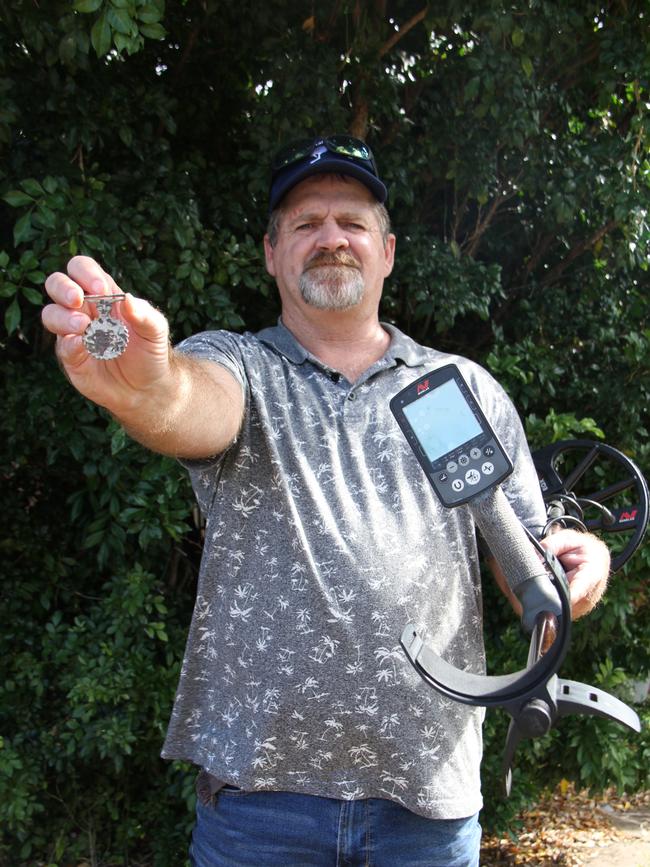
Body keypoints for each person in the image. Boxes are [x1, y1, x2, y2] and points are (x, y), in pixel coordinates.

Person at [42, 135, 610, 867]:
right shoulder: (239, 364)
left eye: (352, 222)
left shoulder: (462, 389)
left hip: (426, 808)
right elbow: (191, 402)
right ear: (274, 253)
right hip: (260, 808)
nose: (331, 238)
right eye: (307, 224)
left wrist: (571, 569)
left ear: (388, 251)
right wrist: (151, 387)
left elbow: (526, 567)